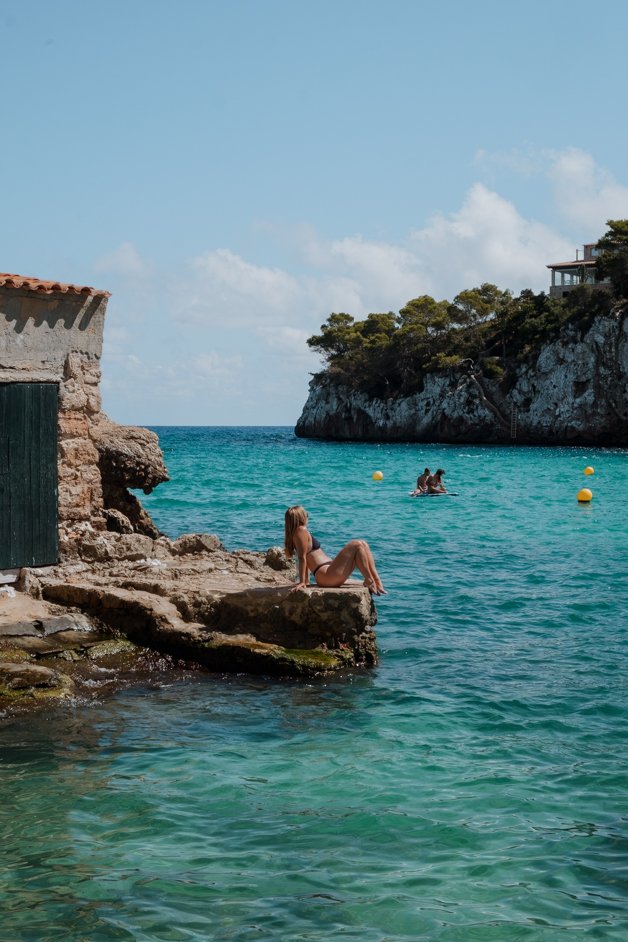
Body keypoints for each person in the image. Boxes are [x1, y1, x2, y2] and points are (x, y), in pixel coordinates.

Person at [284, 505, 386, 595]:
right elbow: (302, 558)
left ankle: (376, 580)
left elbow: (304, 556)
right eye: (305, 514)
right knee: (357, 544)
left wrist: (306, 581)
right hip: (326, 576)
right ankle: (369, 580)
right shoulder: (301, 530)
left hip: (329, 573)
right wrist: (302, 582)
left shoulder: (298, 533)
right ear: (300, 517)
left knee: (363, 544)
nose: (307, 515)